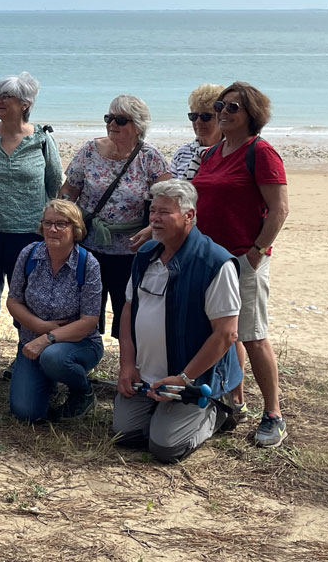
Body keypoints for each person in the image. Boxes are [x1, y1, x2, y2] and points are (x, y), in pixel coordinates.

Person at [191, 82, 290, 448]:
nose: (223, 112)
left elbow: (279, 210)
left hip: (242, 259)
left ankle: (274, 414)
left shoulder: (260, 152)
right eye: (221, 105)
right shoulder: (211, 153)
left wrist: (256, 252)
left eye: (233, 107)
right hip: (209, 259)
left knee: (252, 334)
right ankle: (234, 401)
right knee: (220, 333)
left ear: (252, 114)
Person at [114, 180, 242, 463]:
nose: (155, 219)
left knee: (165, 449)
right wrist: (127, 364)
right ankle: (160, 410)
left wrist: (184, 378)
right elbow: (128, 309)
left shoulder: (215, 263)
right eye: (153, 211)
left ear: (189, 216)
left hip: (190, 380)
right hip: (145, 376)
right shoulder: (146, 254)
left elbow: (226, 334)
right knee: (125, 435)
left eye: (164, 212)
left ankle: (217, 412)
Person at [0, 72, 62, 374]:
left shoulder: (42, 140)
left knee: (27, 293)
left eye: (7, 96)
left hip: (28, 232)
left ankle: (24, 350)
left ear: (26, 104)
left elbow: (54, 185)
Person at [59, 95, 169, 339]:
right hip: (87, 248)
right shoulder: (89, 150)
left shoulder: (150, 158)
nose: (112, 124)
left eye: (120, 120)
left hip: (132, 251)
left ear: (138, 126)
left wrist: (152, 230)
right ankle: (84, 357)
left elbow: (169, 202)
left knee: (129, 315)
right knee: (85, 313)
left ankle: (128, 361)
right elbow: (68, 191)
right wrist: (65, 222)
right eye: (109, 118)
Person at [6, 200, 103, 422]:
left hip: (79, 344)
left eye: (61, 224)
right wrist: (40, 327)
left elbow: (89, 321)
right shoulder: (29, 254)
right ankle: (48, 382)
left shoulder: (88, 264)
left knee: (53, 358)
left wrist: (48, 338)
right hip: (32, 342)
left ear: (75, 228)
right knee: (26, 413)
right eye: (47, 223)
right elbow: (13, 301)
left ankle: (83, 393)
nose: (52, 229)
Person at [171, 84, 225, 179]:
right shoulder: (181, 154)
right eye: (193, 116)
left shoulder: (230, 152)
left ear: (221, 118)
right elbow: (173, 187)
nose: (198, 121)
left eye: (205, 116)